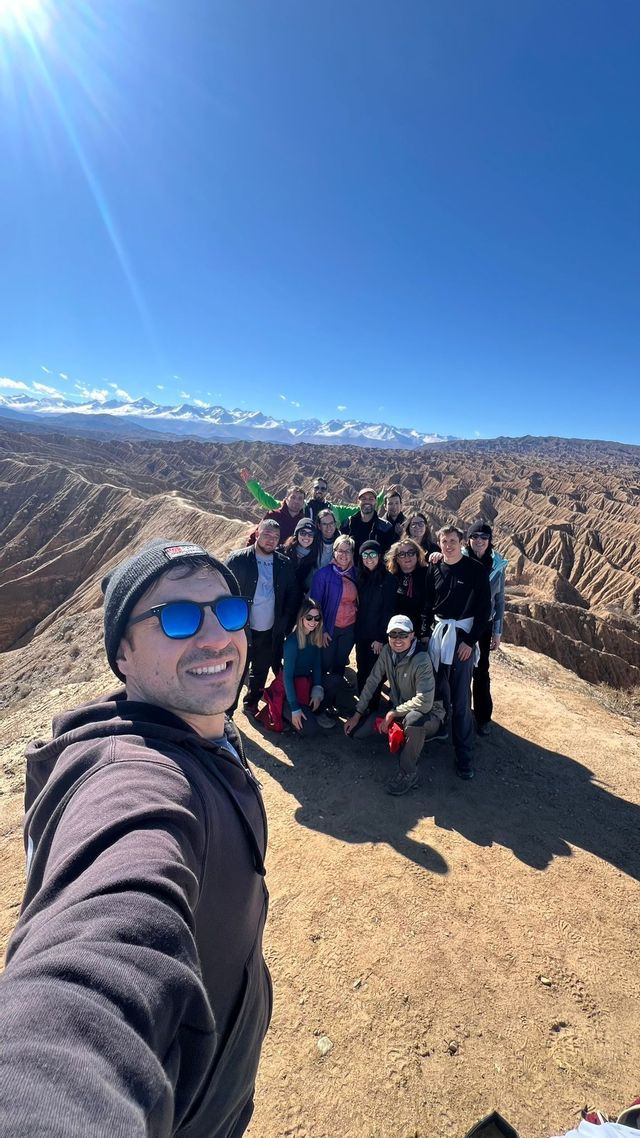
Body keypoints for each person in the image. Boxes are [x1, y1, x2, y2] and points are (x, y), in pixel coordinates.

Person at [0, 538, 271, 1138]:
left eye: (227, 611)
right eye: (176, 618)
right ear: (122, 652)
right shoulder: (133, 778)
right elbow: (88, 973)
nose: (214, 638)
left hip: (217, 1087)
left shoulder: (202, 732)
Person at [344, 614, 445, 795]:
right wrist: (358, 713)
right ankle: (403, 740)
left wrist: (393, 713)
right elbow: (373, 681)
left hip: (429, 715)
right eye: (393, 634)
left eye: (403, 634)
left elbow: (425, 701)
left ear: (412, 635)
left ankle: (408, 772)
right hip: (399, 710)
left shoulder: (421, 659)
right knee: (357, 733)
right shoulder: (387, 653)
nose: (398, 639)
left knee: (414, 721)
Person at [423, 525, 492, 780]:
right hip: (440, 636)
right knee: (439, 690)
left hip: (462, 638)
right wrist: (424, 632)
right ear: (439, 543)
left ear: (461, 542)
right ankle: (440, 729)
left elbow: (485, 610)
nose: (449, 545)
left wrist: (470, 641)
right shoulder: (435, 567)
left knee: (462, 699)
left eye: (453, 540)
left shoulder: (476, 571)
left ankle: (464, 753)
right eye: (444, 541)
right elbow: (428, 604)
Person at [225, 518, 298, 713]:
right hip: (241, 628)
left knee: (260, 669)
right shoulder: (238, 560)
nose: (271, 540)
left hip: (270, 629)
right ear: (257, 534)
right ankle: (227, 710)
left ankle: (251, 702)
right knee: (236, 671)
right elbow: (223, 592)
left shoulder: (284, 564)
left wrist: (285, 623)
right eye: (267, 535)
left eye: (275, 537)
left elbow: (292, 595)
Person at [466, 522, 508, 735]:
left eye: (484, 537)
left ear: (489, 541)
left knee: (481, 670)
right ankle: (462, 713)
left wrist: (498, 631)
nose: (479, 541)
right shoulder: (461, 559)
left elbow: (500, 600)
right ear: (469, 539)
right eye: (475, 536)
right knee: (460, 668)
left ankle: (482, 717)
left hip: (485, 624)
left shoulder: (497, 566)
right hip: (463, 623)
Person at [309, 535, 358, 712]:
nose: (344, 554)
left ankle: (332, 700)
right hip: (329, 629)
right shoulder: (323, 575)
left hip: (349, 628)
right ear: (334, 552)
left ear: (352, 553)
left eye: (348, 550)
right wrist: (321, 630)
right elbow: (314, 605)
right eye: (340, 550)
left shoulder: (356, 574)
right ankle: (319, 702)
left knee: (339, 665)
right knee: (324, 665)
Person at [239, 468, 366, 526]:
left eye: (323, 488)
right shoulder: (300, 505)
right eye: (316, 487)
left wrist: (376, 501)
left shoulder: (335, 510)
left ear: (327, 492)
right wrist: (252, 484)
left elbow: (358, 510)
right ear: (312, 489)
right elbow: (269, 502)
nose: (319, 491)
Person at [281, 598, 334, 733]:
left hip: (306, 683)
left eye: (317, 618)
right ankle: (287, 712)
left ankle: (315, 710)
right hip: (290, 689)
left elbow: (317, 665)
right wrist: (294, 708)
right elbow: (287, 677)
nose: (313, 622)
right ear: (301, 618)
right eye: (309, 617)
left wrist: (317, 688)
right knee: (311, 730)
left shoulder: (314, 637)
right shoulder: (292, 643)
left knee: (335, 681)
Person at [354, 539, 396, 701]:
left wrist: (381, 638)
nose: (369, 558)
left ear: (379, 556)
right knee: (361, 668)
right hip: (361, 633)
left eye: (373, 554)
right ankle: (361, 703)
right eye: (365, 554)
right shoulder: (359, 577)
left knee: (375, 671)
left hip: (377, 635)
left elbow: (388, 611)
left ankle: (372, 706)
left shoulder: (388, 580)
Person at [385, 537, 429, 638]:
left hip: (421, 632)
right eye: (402, 554)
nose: (407, 557)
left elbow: (429, 605)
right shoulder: (391, 578)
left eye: (411, 552)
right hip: (396, 633)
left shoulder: (428, 574)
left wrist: (424, 632)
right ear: (396, 558)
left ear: (417, 555)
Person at [340, 487, 394, 559]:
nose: (367, 501)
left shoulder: (386, 527)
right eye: (363, 499)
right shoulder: (348, 524)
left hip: (375, 569)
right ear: (358, 502)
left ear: (375, 502)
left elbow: (389, 554)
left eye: (371, 499)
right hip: (352, 568)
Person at [279, 517, 320, 599]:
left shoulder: (314, 557)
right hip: (278, 596)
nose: (306, 537)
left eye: (310, 534)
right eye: (303, 533)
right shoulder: (283, 551)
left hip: (296, 601)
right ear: (296, 534)